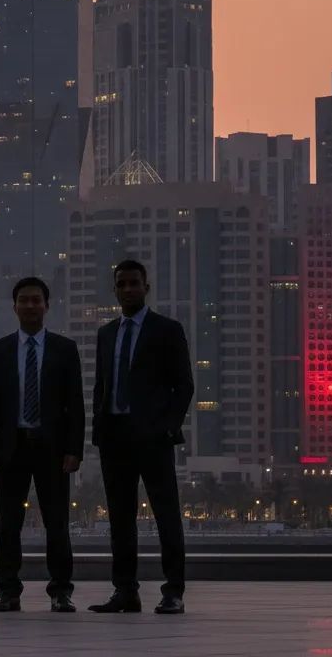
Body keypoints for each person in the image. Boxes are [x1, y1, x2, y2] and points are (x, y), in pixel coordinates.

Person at [89, 259, 195, 615]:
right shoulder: (106, 333)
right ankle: (125, 591)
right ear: (115, 289)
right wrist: (99, 431)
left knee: (166, 515)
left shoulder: (166, 329)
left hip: (153, 438)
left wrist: (166, 427)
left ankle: (173, 591)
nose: (129, 289)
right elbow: (101, 386)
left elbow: (184, 385)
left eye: (135, 283)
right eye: (122, 283)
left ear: (146, 288)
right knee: (120, 519)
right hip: (115, 437)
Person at [0, 276, 84, 612]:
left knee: (57, 525)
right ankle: (8, 591)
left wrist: (74, 450)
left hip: (52, 450)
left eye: (36, 300)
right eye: (23, 300)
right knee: (8, 525)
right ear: (14, 307)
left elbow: (76, 404)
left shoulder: (64, 349)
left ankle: (61, 591)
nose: (29, 305)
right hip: (12, 447)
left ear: (46, 305)